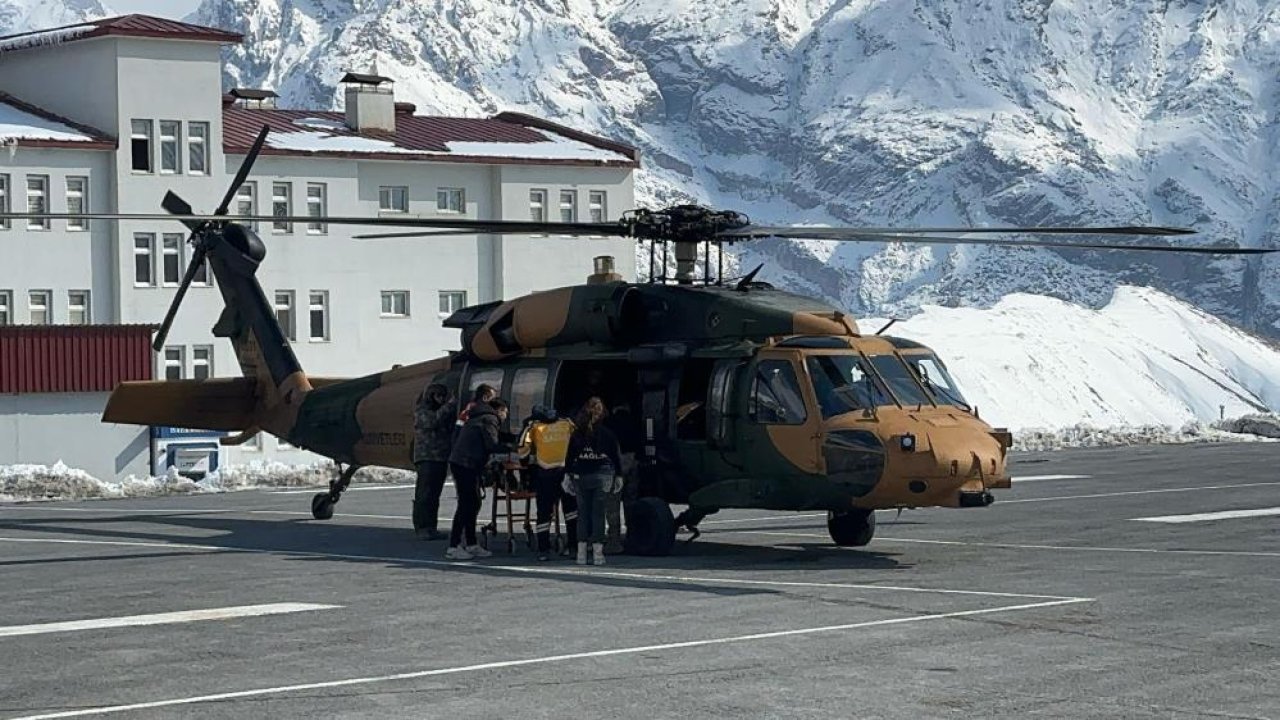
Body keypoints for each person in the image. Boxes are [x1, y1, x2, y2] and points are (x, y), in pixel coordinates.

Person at [446, 397, 509, 560]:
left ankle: (471, 543)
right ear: (500, 410)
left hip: (464, 462)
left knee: (473, 502)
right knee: (466, 503)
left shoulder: (479, 417)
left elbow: (493, 438)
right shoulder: (490, 419)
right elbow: (492, 444)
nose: (505, 416)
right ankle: (454, 546)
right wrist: (511, 449)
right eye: (505, 412)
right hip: (465, 464)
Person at [565, 396, 623, 566]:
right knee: (598, 514)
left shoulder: (577, 434)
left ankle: (581, 554)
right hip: (603, 475)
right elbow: (615, 457)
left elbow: (569, 457)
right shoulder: (607, 434)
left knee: (583, 514)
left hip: (581, 476)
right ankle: (598, 554)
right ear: (602, 413)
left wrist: (568, 474)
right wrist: (619, 475)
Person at [518, 405, 577, 561]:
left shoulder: (534, 425)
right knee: (571, 511)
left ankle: (544, 550)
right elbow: (577, 439)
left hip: (545, 472)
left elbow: (522, 446)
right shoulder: (566, 422)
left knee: (544, 512)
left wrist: (524, 463)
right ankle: (573, 547)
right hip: (566, 471)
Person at [411, 382, 455, 540]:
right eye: (438, 396)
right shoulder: (423, 411)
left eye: (443, 397)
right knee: (424, 494)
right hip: (427, 457)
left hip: (440, 457)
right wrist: (450, 406)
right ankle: (422, 527)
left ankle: (431, 527)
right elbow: (433, 421)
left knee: (434, 495)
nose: (441, 400)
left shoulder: (440, 412)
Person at [602, 402, 641, 554]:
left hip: (617, 465)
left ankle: (614, 541)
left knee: (613, 506)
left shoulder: (610, 424)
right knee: (631, 502)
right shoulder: (635, 422)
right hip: (633, 462)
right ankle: (632, 535)